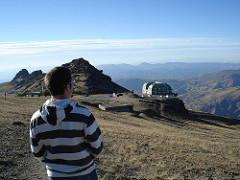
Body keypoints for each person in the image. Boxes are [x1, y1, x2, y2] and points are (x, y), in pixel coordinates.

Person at [30, 67, 103, 179]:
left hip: (55, 176)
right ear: (68, 86)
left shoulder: (36, 119)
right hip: (85, 173)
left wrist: (54, 164)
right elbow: (97, 147)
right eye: (72, 83)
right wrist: (85, 159)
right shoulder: (83, 114)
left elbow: (37, 152)